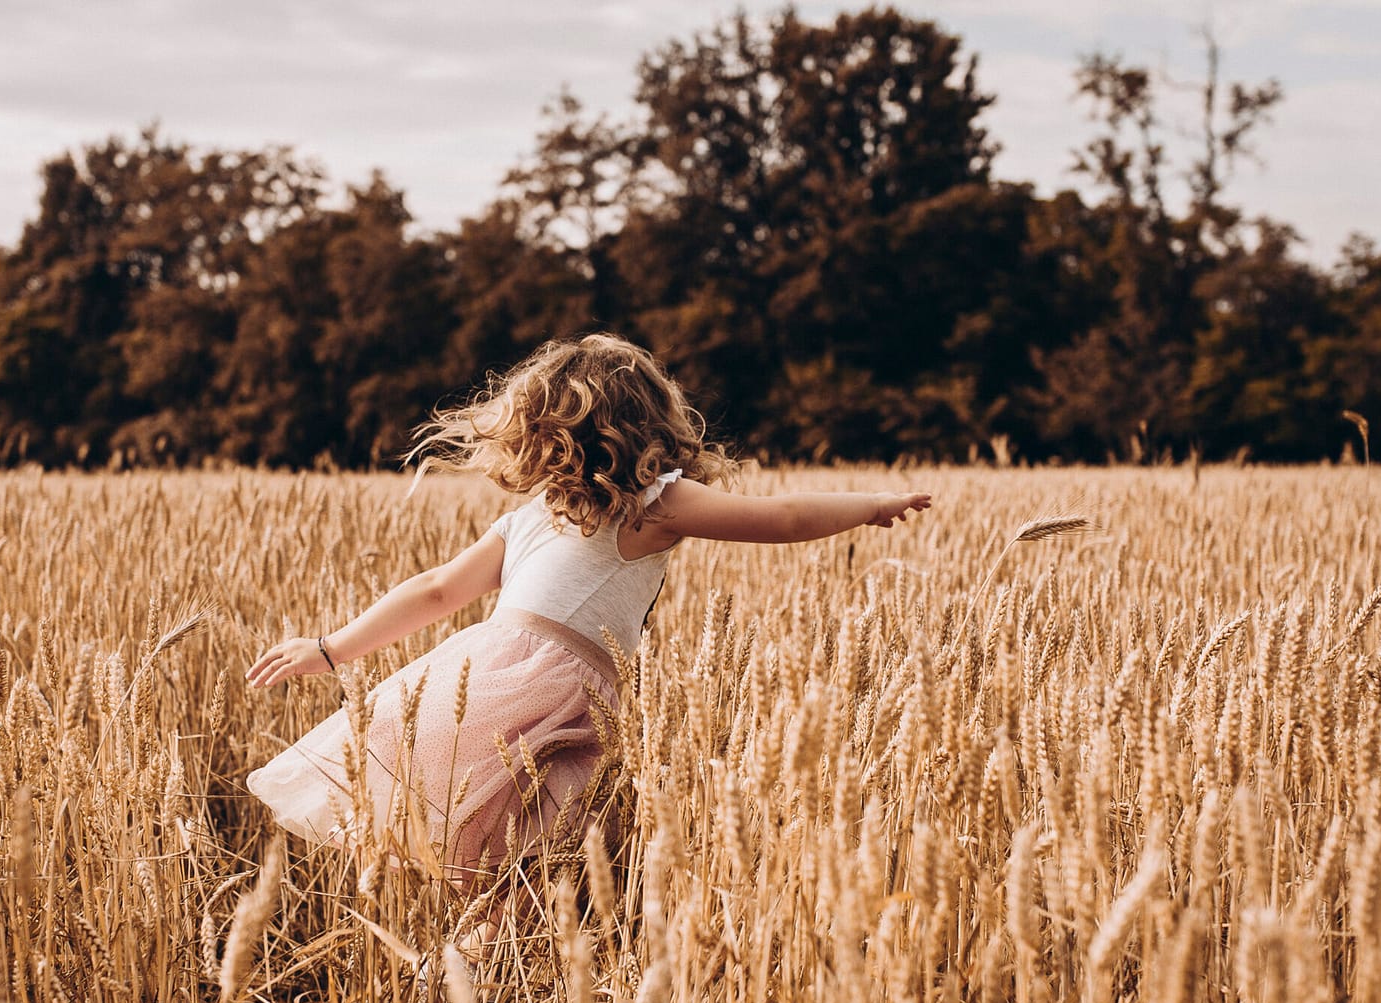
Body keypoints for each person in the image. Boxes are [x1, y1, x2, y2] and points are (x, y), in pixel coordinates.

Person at [244, 333, 930, 897]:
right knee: (544, 858)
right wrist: (869, 505)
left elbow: (434, 592)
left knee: (489, 854)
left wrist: (331, 648)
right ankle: (498, 981)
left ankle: (478, 982)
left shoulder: (530, 515)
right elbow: (780, 518)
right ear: (651, 421)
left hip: (485, 674)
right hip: (566, 692)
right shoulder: (655, 500)